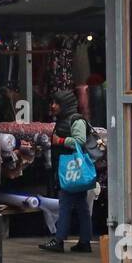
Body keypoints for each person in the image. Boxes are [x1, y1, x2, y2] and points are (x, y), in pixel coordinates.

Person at [38, 88, 94, 253]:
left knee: (65, 204)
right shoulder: (65, 120)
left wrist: (60, 141)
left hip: (72, 171)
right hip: (69, 170)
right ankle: (84, 242)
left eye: (56, 103)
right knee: (81, 206)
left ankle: (59, 239)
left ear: (65, 104)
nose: (53, 106)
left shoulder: (76, 121)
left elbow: (79, 141)